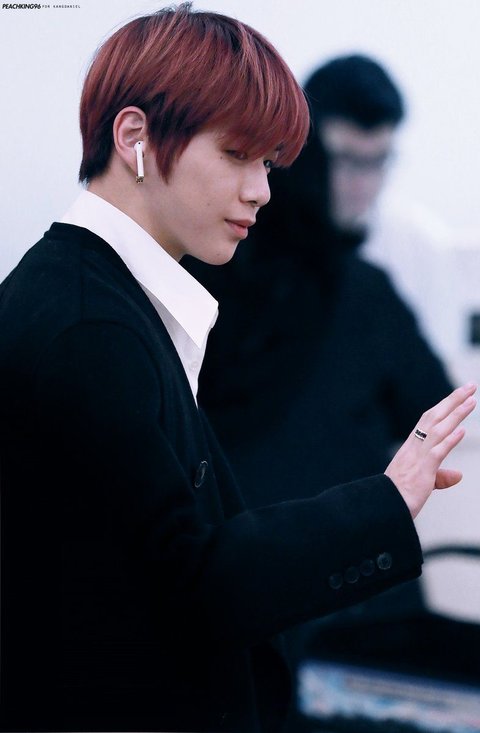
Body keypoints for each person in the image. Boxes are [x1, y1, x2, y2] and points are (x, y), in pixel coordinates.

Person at [0, 8, 475, 733]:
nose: (261, 190)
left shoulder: (95, 298)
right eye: (236, 155)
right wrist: (384, 502)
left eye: (271, 164)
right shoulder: (91, 325)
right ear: (134, 137)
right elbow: (192, 588)